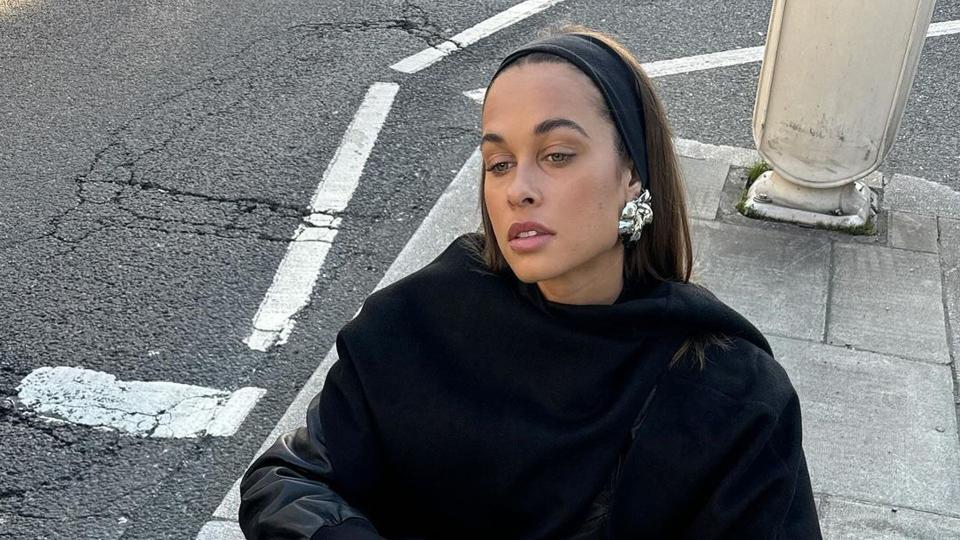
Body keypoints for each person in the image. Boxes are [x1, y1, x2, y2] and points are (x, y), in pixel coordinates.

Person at [238, 25, 822, 540]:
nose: (518, 189)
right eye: (499, 163)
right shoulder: (425, 319)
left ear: (633, 176)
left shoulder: (730, 399)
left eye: (558, 155)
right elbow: (289, 478)